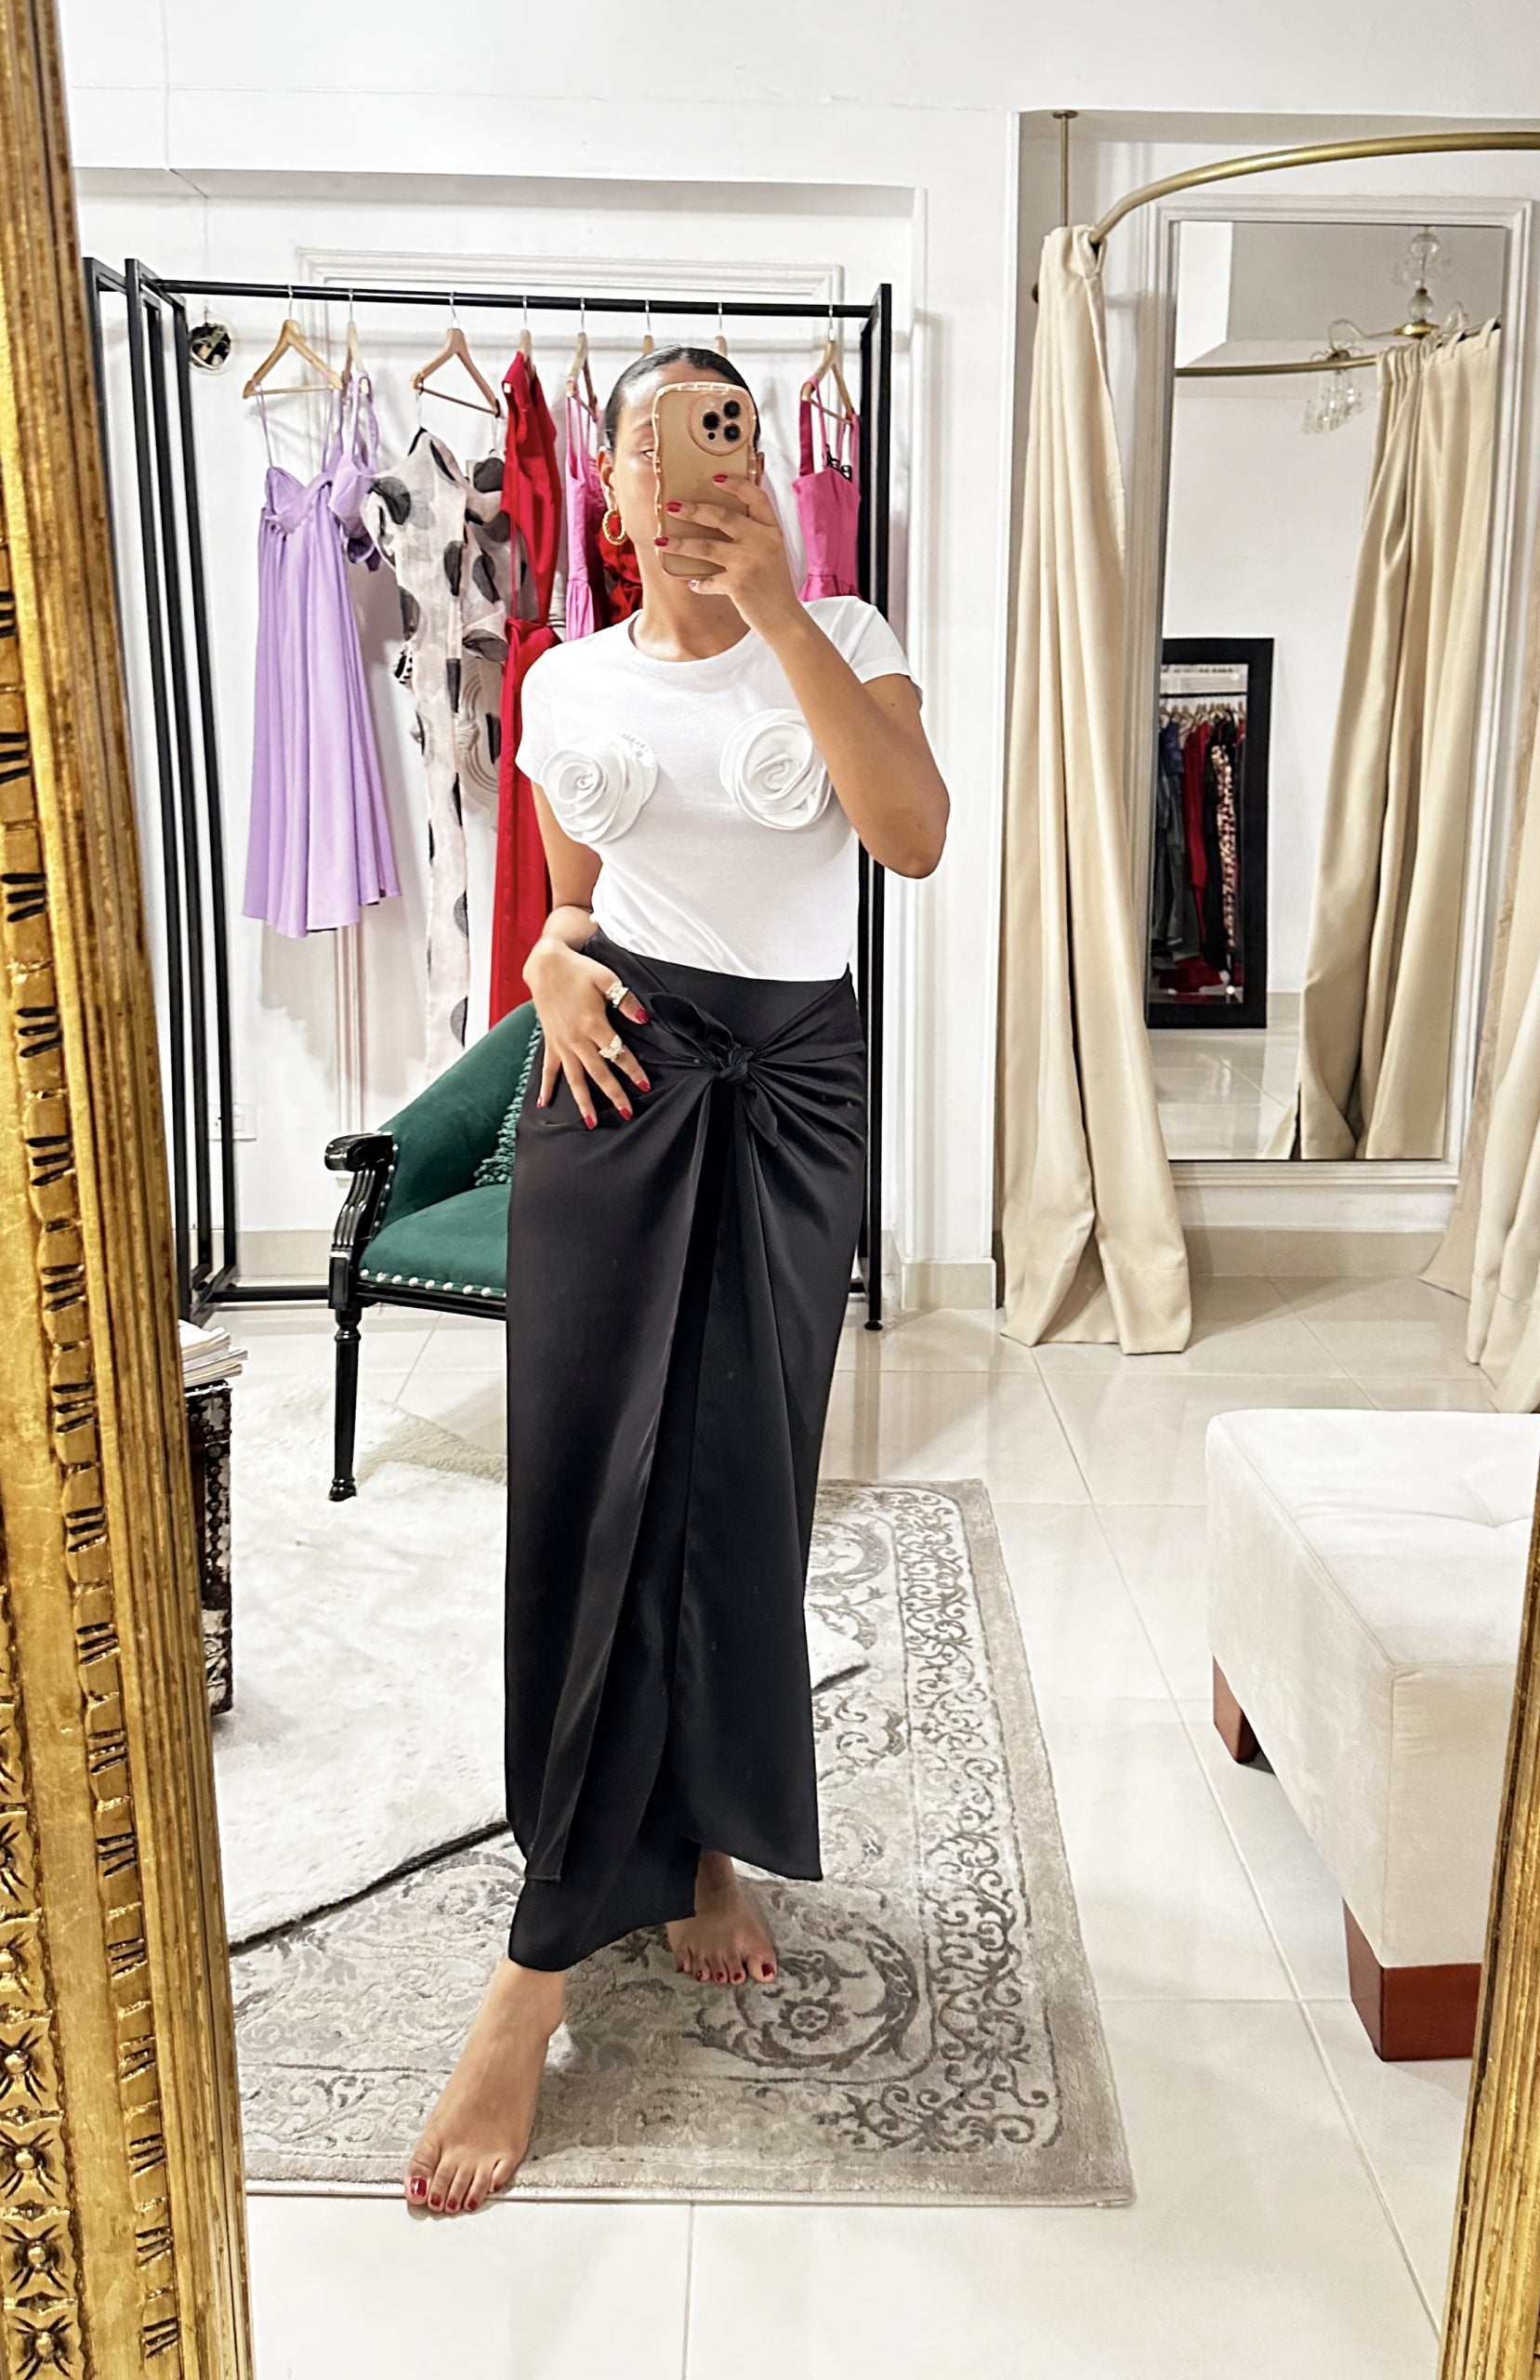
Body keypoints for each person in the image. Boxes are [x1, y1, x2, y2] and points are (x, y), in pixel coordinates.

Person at [403, 347, 948, 2216]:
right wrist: (547, 966)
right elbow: (571, 902)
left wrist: (783, 613)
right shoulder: (564, 680)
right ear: (612, 485)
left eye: (724, 433)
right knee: (584, 1493)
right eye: (657, 440)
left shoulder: (846, 633)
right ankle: (538, 1958)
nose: (690, 467)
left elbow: (909, 837)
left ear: (760, 468)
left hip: (790, 1096)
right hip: (616, 1080)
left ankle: (706, 1840)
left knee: (739, 1489)